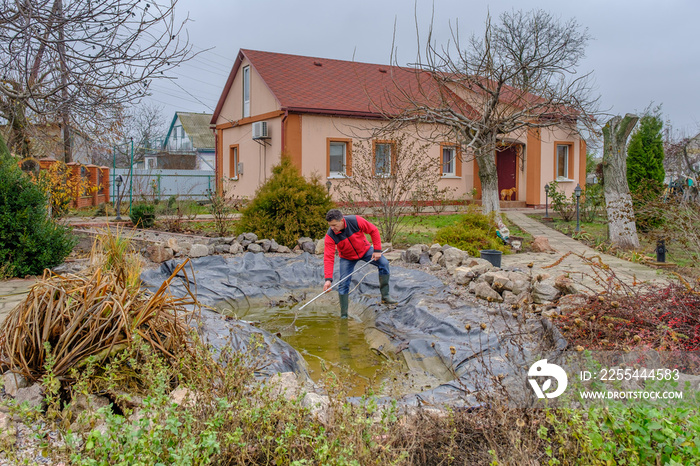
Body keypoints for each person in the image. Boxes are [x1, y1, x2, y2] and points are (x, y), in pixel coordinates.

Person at [323, 209, 397, 318]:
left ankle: (385, 297)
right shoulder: (330, 235)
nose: (332, 228)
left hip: (365, 250)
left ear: (342, 220)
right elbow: (328, 257)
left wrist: (377, 250)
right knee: (343, 284)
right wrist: (328, 279)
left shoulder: (355, 221)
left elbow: (373, 230)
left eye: (334, 225)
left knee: (384, 263)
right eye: (330, 226)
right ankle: (344, 315)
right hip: (347, 258)